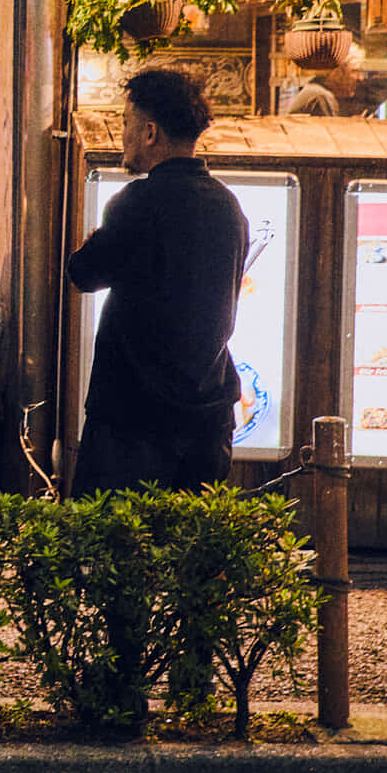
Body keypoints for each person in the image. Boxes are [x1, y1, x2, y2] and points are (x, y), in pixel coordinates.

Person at [68, 69, 247, 493]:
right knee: (190, 533)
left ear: (150, 132)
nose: (122, 135)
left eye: (126, 123)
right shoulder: (228, 206)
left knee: (112, 532)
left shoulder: (136, 203)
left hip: (133, 423)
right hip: (209, 417)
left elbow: (83, 273)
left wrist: (95, 240)